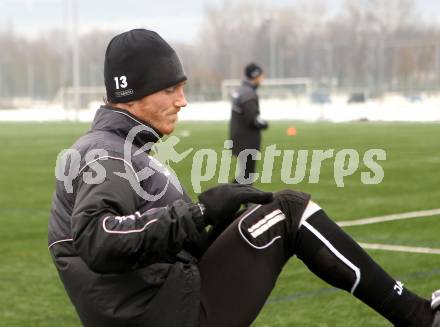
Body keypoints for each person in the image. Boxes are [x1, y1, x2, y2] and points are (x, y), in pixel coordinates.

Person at [48, 28, 440, 327]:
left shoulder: (119, 148)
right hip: (165, 314)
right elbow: (97, 240)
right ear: (132, 92)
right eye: (170, 89)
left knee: (259, 210)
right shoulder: (104, 153)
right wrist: (199, 212)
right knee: (289, 209)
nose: (182, 100)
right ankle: (418, 316)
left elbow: (151, 247)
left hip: (155, 304)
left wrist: (215, 223)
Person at [230, 63, 268, 184]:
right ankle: (224, 199)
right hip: (247, 140)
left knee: (245, 175)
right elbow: (253, 119)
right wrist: (264, 124)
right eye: (261, 75)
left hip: (239, 138)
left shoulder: (241, 90)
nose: (263, 78)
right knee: (247, 176)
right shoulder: (248, 94)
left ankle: (245, 201)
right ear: (255, 76)